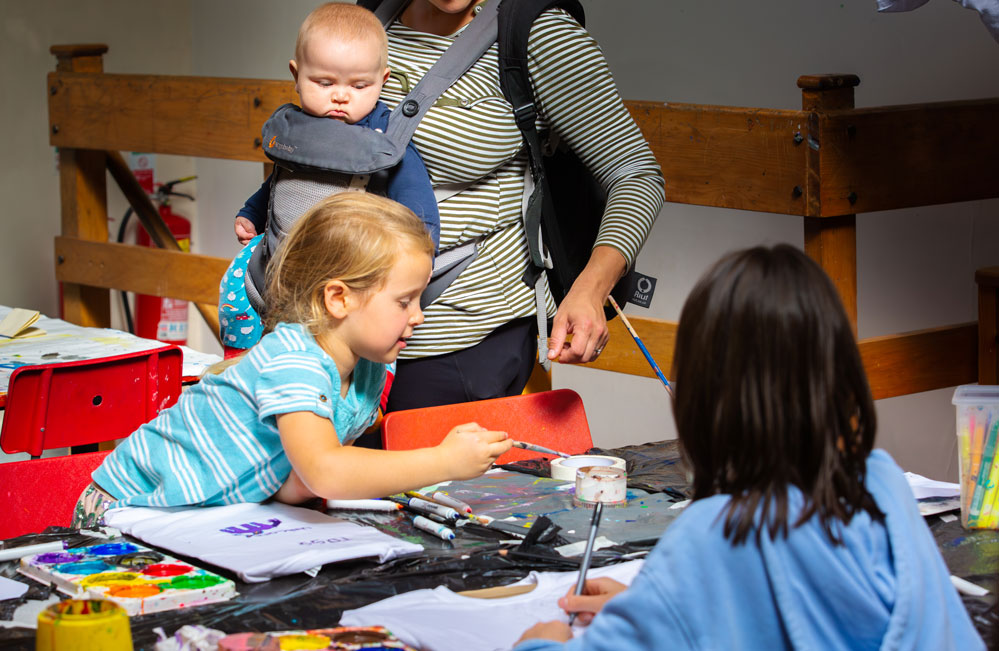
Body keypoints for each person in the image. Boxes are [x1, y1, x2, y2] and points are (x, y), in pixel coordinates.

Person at [514, 244, 985, 650]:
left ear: (700, 398)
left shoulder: (714, 535)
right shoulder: (881, 482)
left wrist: (542, 641)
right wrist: (658, 605)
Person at [74, 193, 511, 528]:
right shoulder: (295, 360)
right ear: (338, 298)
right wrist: (443, 462)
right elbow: (325, 471)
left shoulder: (370, 370)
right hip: (126, 512)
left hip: (208, 517)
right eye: (404, 301)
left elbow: (298, 480)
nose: (418, 316)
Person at [373, 0, 666, 412]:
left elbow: (636, 174)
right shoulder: (375, 15)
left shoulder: (538, 33)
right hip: (346, 329)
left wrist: (591, 288)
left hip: (459, 341)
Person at [221, 2, 439, 351]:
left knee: (346, 353)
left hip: (350, 282)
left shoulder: (383, 141)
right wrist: (252, 212)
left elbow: (416, 202)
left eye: (359, 85)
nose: (340, 96)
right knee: (270, 336)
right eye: (324, 82)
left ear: (382, 81)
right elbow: (280, 182)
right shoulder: (296, 129)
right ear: (296, 75)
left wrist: (423, 253)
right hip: (281, 272)